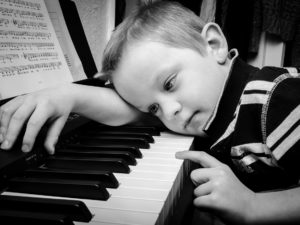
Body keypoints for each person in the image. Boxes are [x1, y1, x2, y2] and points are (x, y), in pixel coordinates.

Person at [0, 1, 300, 224]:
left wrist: (253, 207)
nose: (170, 112)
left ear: (213, 45)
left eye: (169, 84)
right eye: (154, 108)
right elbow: (131, 113)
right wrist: (69, 94)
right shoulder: (210, 106)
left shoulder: (274, 99)